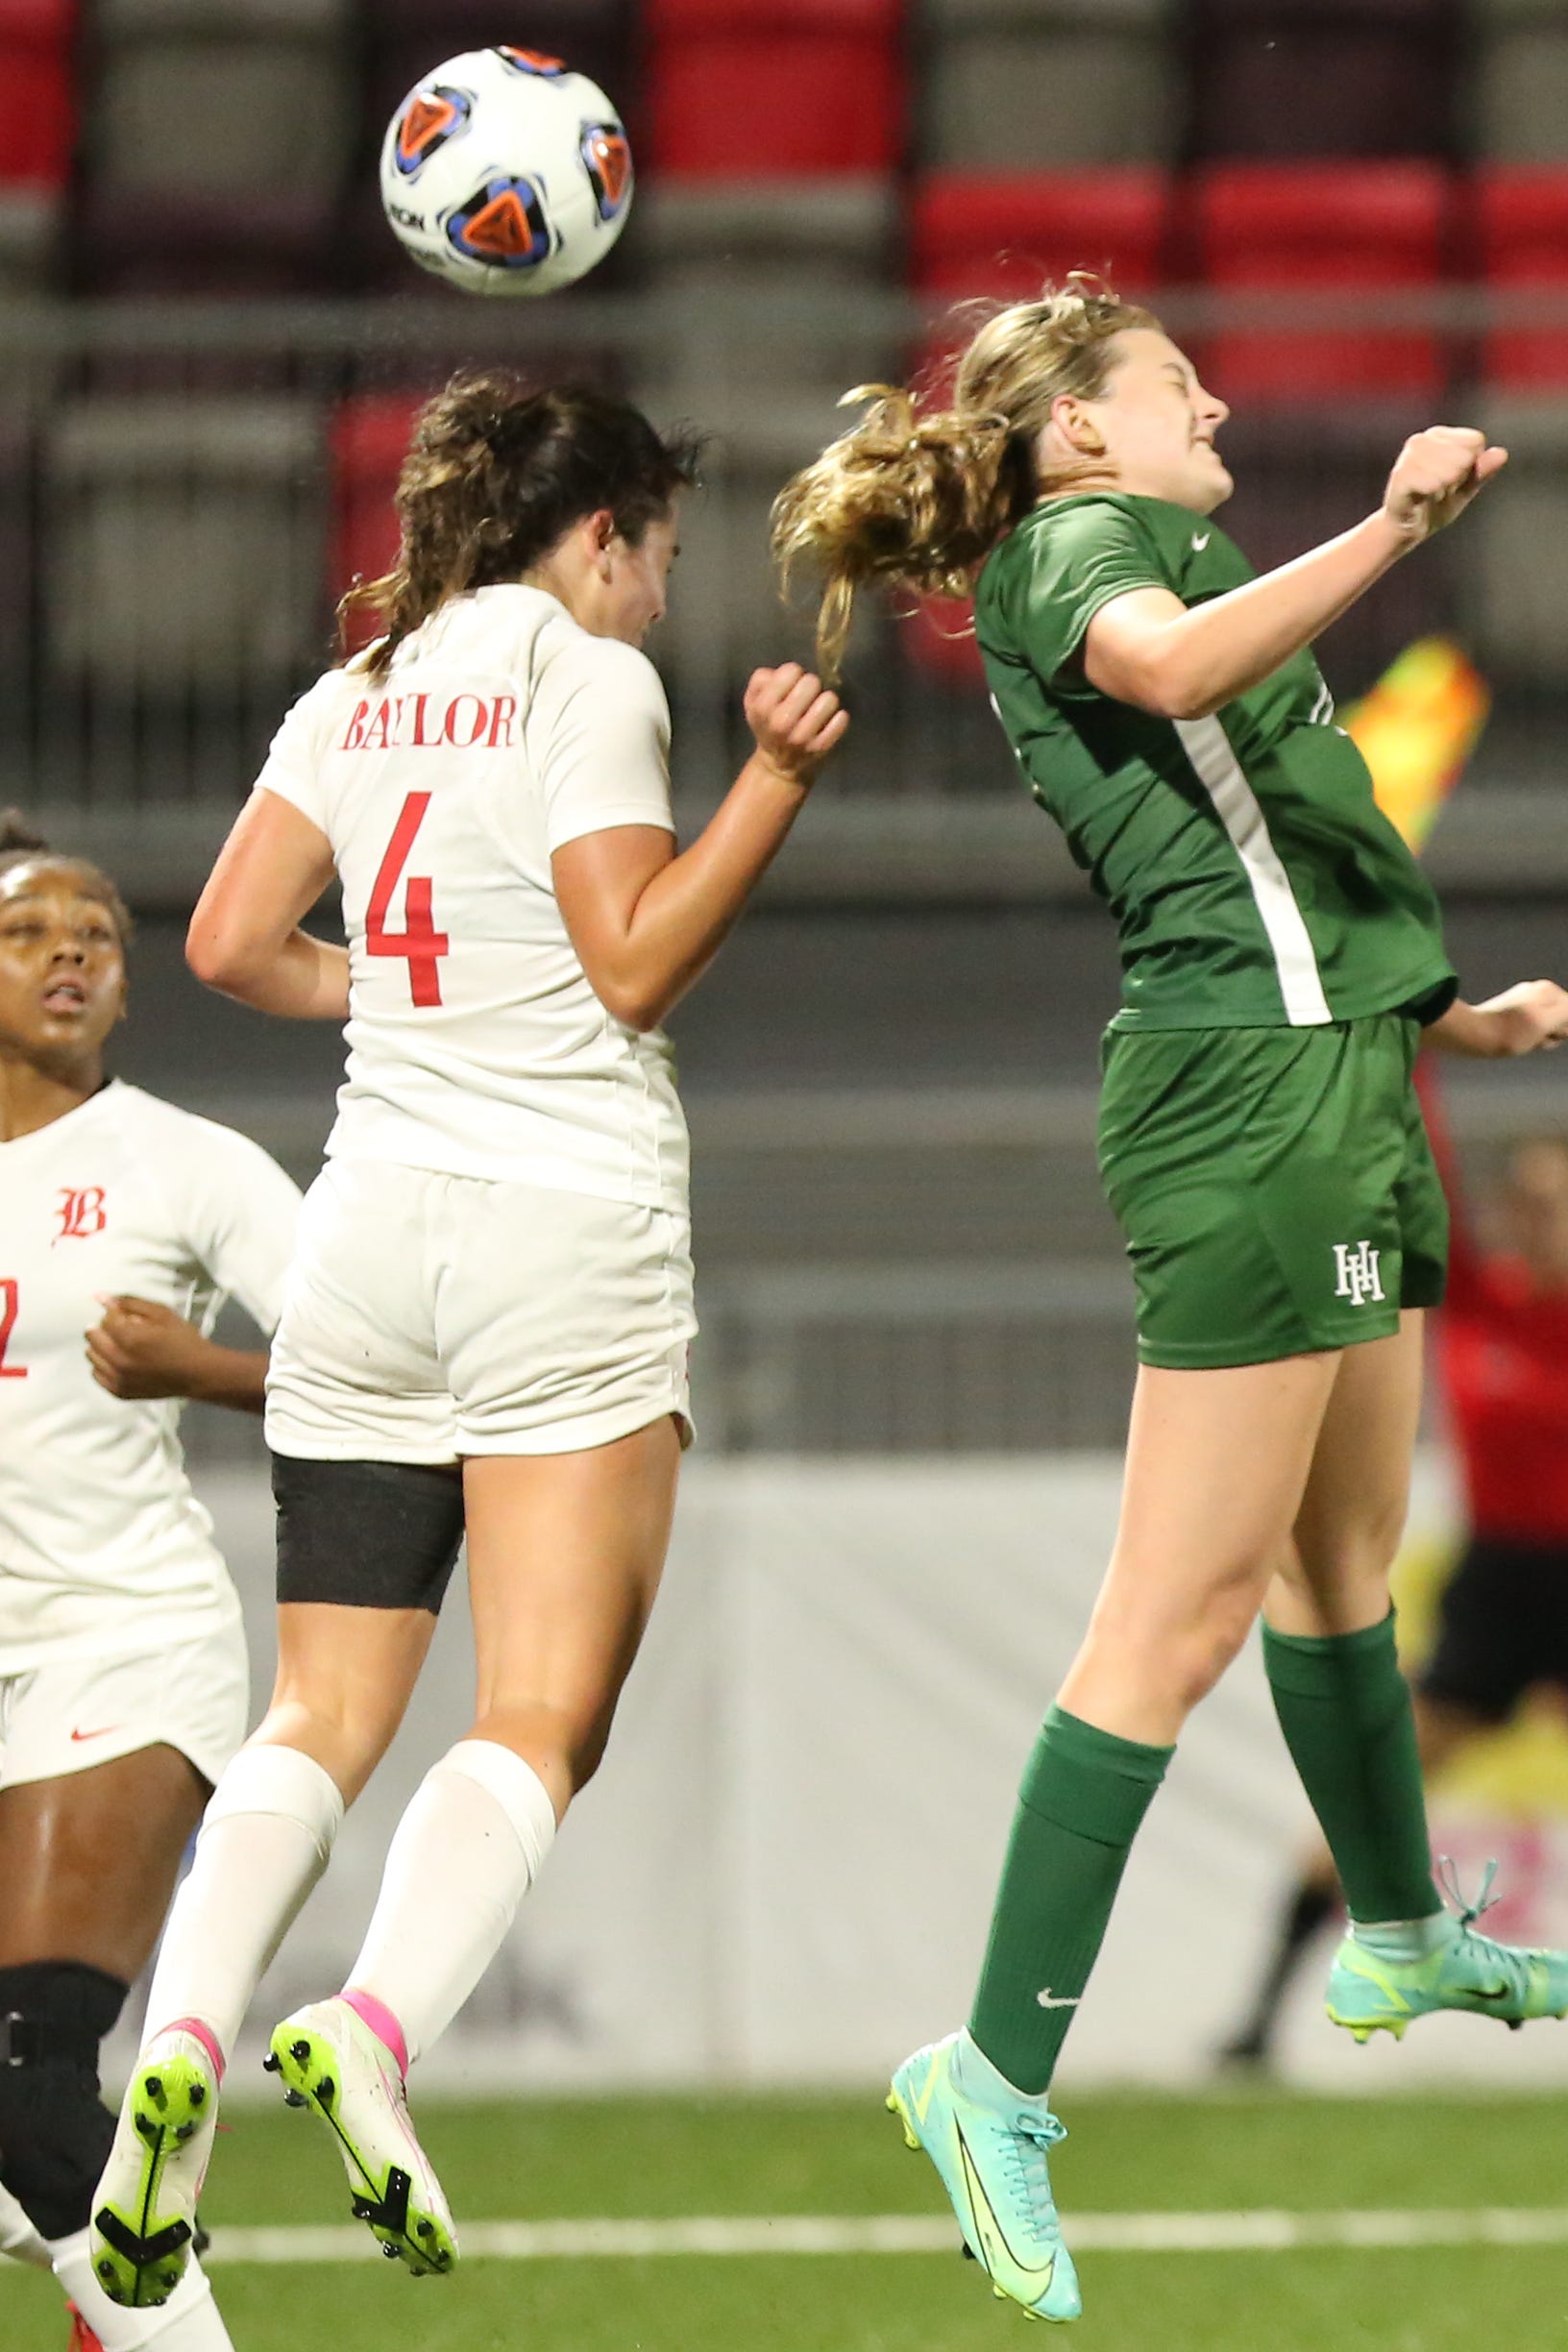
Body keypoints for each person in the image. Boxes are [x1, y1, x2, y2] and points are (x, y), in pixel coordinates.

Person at [771, 281, 1568, 2324]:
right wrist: (1391, 526)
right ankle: (990, 2074)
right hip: (1244, 1106)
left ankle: (1397, 1930)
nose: (1214, 393)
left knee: (1349, 1572)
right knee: (1174, 1621)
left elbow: (1271, 845)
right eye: (1171, 380)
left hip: (1344, 1077)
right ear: (1077, 436)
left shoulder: (1163, 529)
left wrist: (1438, 1010)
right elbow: (1172, 669)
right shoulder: (1081, 548)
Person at [90, 372, 847, 2309]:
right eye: (659, 556)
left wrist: (422, 986)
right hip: (555, 1232)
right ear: (596, 534)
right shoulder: (581, 679)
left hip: (362, 1230)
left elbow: (231, 945)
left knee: (316, 1714)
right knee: (539, 1711)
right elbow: (634, 959)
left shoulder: (359, 688)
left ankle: (175, 2053)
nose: (660, 599)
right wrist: (771, 780)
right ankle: (374, 2031)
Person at [0, 814, 302, 2352]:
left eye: (99, 935)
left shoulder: (182, 1167)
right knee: (28, 2138)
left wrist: (208, 1369)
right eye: (28, 930)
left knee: (18, 2063)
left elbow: (372, 1364)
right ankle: (134, 2182)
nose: (70, 951)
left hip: (118, 1640)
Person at [1224, 1079, 1568, 2068]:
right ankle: (1255, 2025)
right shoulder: (1476, 1298)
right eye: (1530, 1202)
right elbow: (1425, 1173)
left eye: (1560, 1202)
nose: (1541, 1221)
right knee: (1371, 1796)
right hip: (1500, 1590)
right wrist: (1402, 1050)